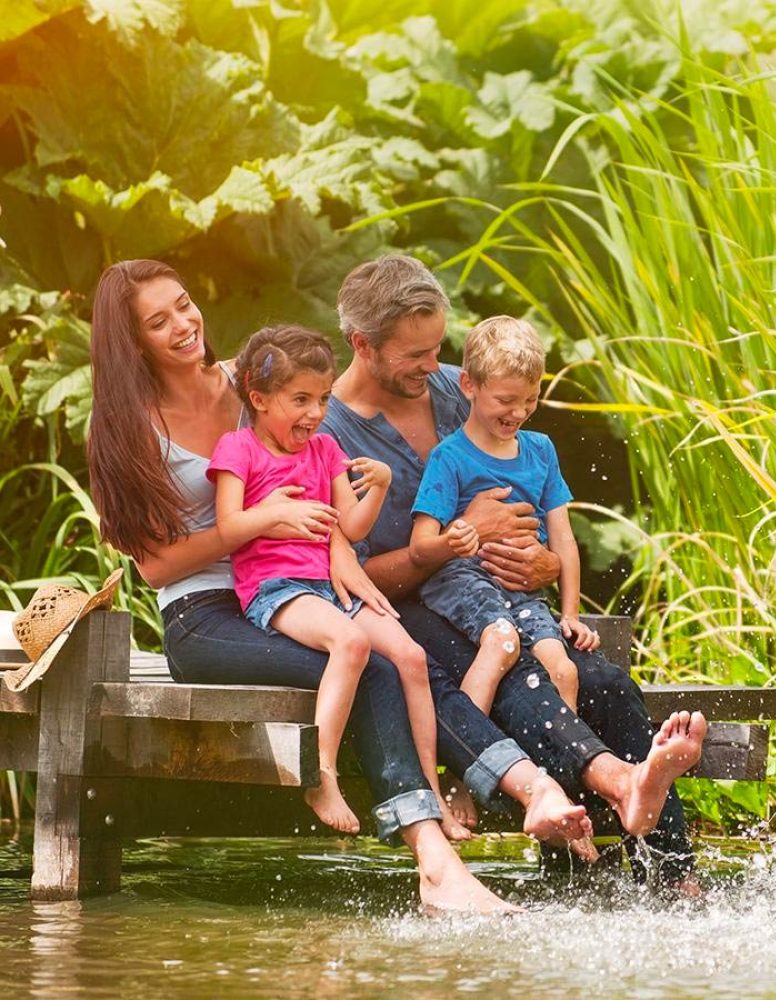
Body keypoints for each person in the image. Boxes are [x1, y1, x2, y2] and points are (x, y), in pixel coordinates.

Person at [86, 259, 593, 915]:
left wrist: (345, 556)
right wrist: (260, 522)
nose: (184, 324)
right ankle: (435, 863)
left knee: (405, 652)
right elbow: (154, 569)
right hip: (207, 613)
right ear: (132, 341)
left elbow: (322, 493)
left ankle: (529, 791)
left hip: (304, 581)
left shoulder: (254, 383)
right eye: (159, 321)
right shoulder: (128, 426)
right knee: (373, 665)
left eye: (184, 304)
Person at [323, 254, 707, 885]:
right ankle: (612, 789)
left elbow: (537, 514)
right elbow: (349, 575)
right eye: (413, 355)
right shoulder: (331, 433)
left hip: (507, 598)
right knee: (518, 676)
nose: (433, 368)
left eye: (437, 348)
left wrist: (545, 564)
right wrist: (457, 538)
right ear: (362, 345)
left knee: (604, 680)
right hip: (409, 611)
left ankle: (671, 874)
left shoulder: (463, 387)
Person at [209, 323, 464, 839]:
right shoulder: (239, 449)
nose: (315, 413)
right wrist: (274, 514)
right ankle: (321, 775)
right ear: (258, 399)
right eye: (299, 399)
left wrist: (381, 487)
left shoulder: (325, 450)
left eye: (323, 398)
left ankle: (431, 792)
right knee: (350, 643)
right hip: (276, 587)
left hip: (332, 587)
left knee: (412, 658)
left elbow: (351, 527)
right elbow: (229, 529)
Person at [410, 315, 598, 715]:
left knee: (564, 671)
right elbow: (421, 546)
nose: (519, 412)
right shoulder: (450, 457)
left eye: (530, 400)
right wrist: (453, 539)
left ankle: (564, 768)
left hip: (522, 589)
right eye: (506, 400)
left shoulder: (541, 450)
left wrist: (571, 614)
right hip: (463, 577)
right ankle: (472, 752)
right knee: (502, 642)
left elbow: (562, 536)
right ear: (469, 386)